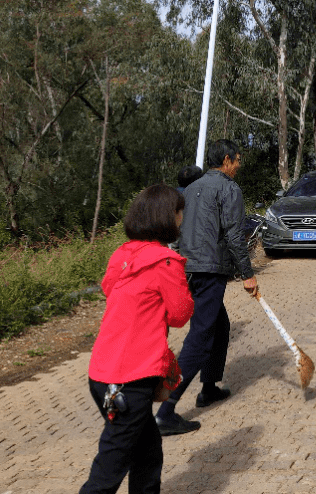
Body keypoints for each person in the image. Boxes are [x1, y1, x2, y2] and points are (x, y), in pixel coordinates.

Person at [79, 185, 193, 494]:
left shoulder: (124, 254)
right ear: (168, 217)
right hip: (131, 378)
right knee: (108, 470)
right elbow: (180, 315)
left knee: (147, 452)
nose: (182, 217)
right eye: (179, 211)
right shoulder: (166, 262)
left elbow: (109, 288)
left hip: (102, 371)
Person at [155, 139, 257, 436]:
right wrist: (247, 274)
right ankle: (166, 409)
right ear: (226, 160)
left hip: (190, 268)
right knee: (199, 340)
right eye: (237, 160)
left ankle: (209, 387)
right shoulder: (228, 188)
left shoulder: (191, 189)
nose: (239, 165)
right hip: (210, 269)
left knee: (220, 327)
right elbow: (235, 235)